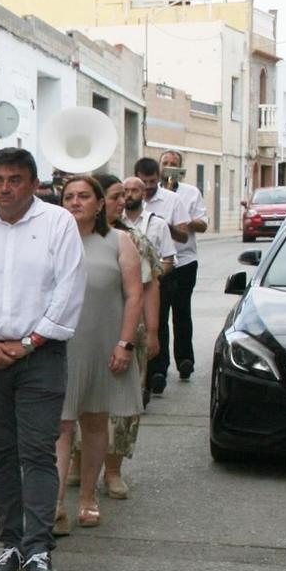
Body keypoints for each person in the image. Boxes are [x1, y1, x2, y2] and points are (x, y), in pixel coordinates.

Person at [0, 148, 86, 571]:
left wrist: (30, 342)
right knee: (0, 452)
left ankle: (39, 548)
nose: (5, 188)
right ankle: (10, 543)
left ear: (32, 183)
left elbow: (68, 289)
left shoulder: (57, 224)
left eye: (15, 180)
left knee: (37, 451)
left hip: (40, 356)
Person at [51, 175, 143, 533]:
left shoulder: (120, 241)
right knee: (60, 425)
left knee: (93, 423)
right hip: (61, 347)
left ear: (100, 202)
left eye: (83, 196)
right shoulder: (52, 241)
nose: (75, 202)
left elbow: (134, 295)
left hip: (105, 346)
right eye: (69, 196)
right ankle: (56, 504)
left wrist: (125, 344)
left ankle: (88, 497)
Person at [103, 176, 167, 500]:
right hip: (86, 334)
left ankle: (113, 470)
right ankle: (75, 462)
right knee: (78, 402)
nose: (122, 201)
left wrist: (153, 331)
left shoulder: (135, 239)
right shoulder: (69, 235)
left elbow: (150, 285)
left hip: (128, 334)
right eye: (116, 196)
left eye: (123, 195)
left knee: (123, 406)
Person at [157, 150, 208, 385]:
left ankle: (185, 360)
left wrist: (182, 216)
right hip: (160, 262)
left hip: (185, 260)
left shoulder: (190, 193)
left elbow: (202, 224)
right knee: (159, 315)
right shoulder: (152, 194)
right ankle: (160, 366)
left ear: (181, 169)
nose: (169, 167)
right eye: (165, 163)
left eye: (173, 164)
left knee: (182, 312)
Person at [131, 157, 177, 396]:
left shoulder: (156, 223)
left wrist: (152, 275)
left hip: (152, 284)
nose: (131, 194)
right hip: (125, 291)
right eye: (125, 190)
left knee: (155, 328)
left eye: (137, 189)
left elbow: (169, 259)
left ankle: (153, 376)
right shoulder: (113, 225)